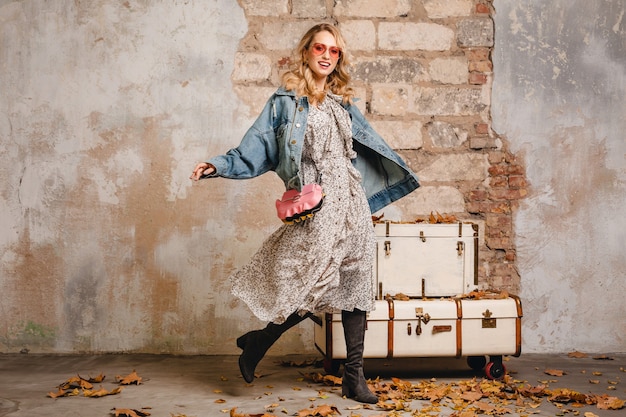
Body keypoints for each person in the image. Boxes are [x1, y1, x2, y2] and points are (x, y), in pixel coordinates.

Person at [190, 23, 419, 404]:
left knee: (357, 283)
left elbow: (362, 151)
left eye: (335, 51)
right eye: (320, 49)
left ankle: (354, 377)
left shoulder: (341, 101)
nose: (327, 56)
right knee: (314, 281)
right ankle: (259, 342)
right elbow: (255, 147)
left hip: (353, 202)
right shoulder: (286, 101)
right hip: (319, 203)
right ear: (307, 52)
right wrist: (217, 165)